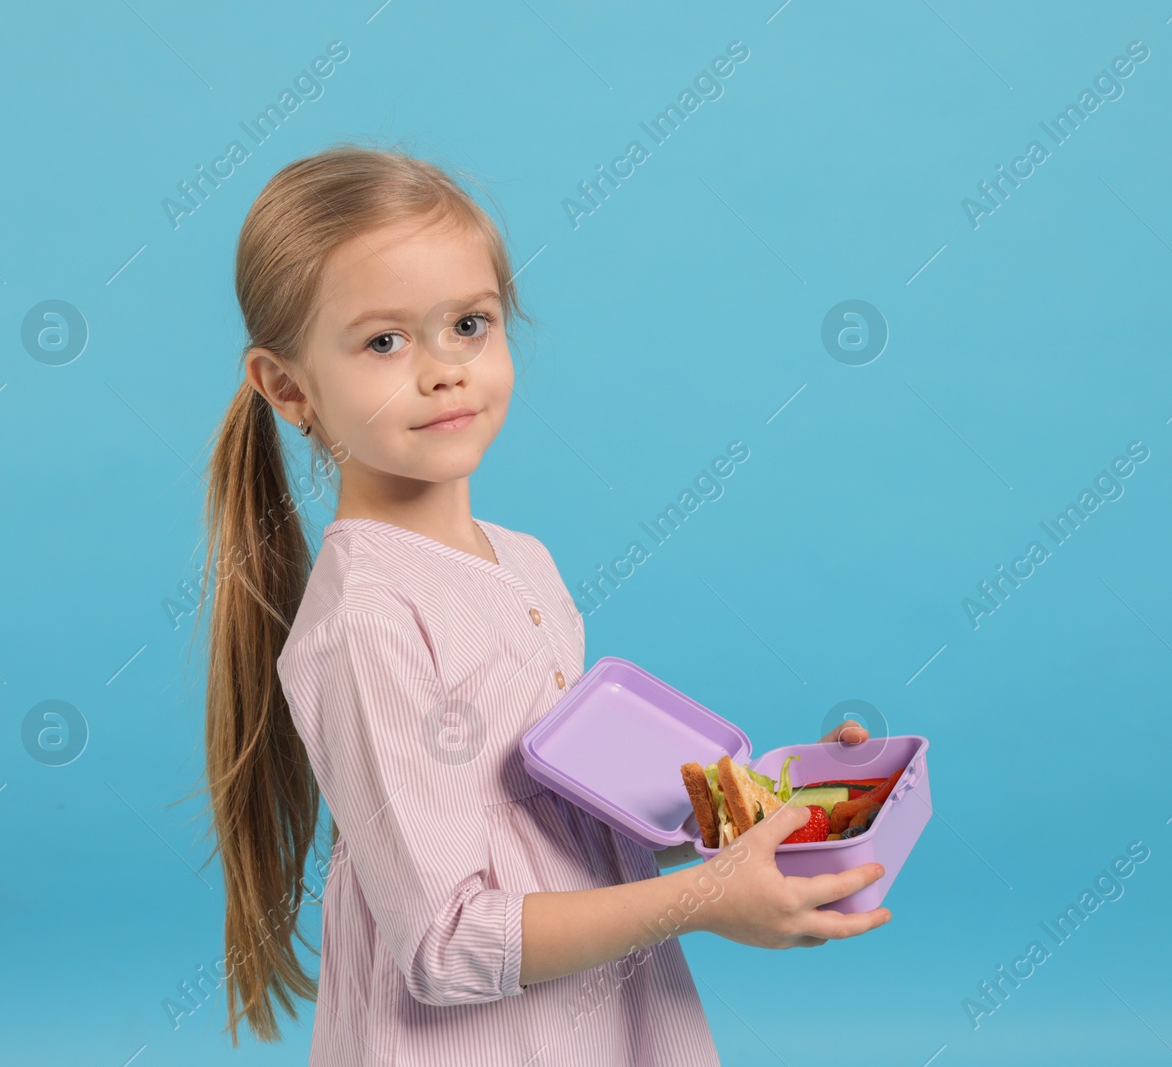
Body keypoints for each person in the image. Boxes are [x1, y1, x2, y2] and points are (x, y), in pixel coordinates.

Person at [196, 141, 892, 1065]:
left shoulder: (525, 562)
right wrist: (707, 901)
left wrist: (778, 812)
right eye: (384, 341)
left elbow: (573, 844)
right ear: (288, 388)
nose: (443, 369)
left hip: (603, 1022)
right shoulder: (367, 625)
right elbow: (447, 942)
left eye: (470, 325)